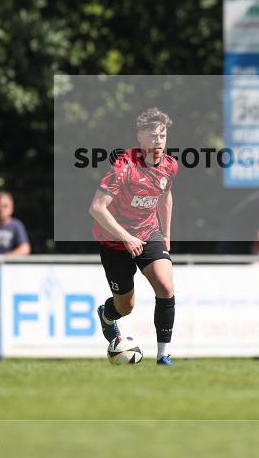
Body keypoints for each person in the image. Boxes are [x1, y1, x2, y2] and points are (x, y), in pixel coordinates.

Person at [89, 107, 178, 366]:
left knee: (165, 285)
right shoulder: (124, 166)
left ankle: (164, 355)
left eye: (162, 135)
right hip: (115, 240)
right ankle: (107, 314)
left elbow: (165, 196)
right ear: (140, 137)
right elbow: (96, 208)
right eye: (152, 135)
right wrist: (126, 237)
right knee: (126, 306)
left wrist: (167, 233)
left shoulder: (170, 165)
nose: (158, 141)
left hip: (149, 233)